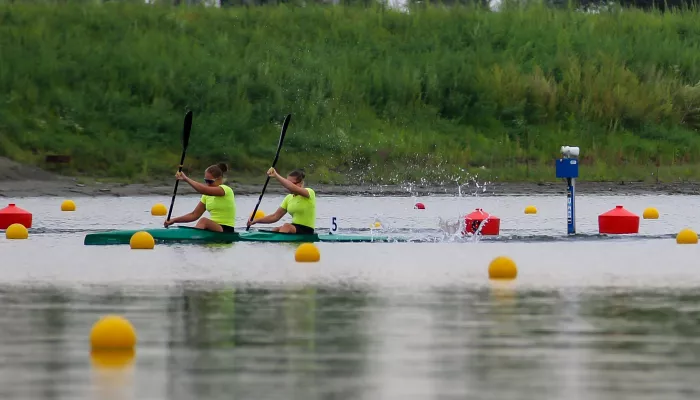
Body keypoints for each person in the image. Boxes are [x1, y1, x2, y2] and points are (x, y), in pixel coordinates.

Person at [164, 163, 237, 232]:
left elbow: (203, 190)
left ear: (219, 179)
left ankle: (193, 240)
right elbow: (194, 215)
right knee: (203, 222)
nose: (207, 184)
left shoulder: (225, 190)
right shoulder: (206, 196)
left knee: (203, 221)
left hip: (226, 229)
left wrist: (186, 179)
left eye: (210, 181)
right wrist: (174, 220)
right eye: (206, 181)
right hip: (213, 228)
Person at [247, 168, 316, 234]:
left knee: (286, 226)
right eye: (288, 182)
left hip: (307, 230)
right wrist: (255, 221)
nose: (287, 186)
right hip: (295, 228)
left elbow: (291, 187)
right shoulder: (288, 198)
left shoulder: (309, 193)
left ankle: (280, 243)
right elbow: (275, 216)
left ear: (300, 183)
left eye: (292, 183)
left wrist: (276, 175)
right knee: (276, 229)